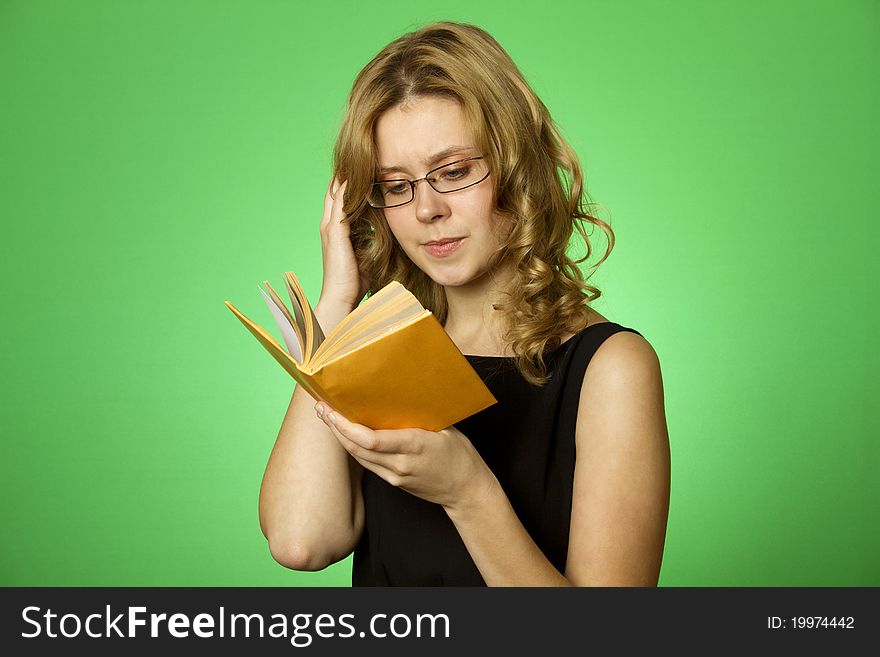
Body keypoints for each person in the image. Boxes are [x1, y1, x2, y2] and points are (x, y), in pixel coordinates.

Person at [258, 21, 670, 586]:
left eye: (453, 172)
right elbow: (301, 540)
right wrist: (337, 302)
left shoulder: (611, 368)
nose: (426, 209)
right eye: (396, 184)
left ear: (517, 165)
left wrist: (468, 492)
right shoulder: (383, 348)